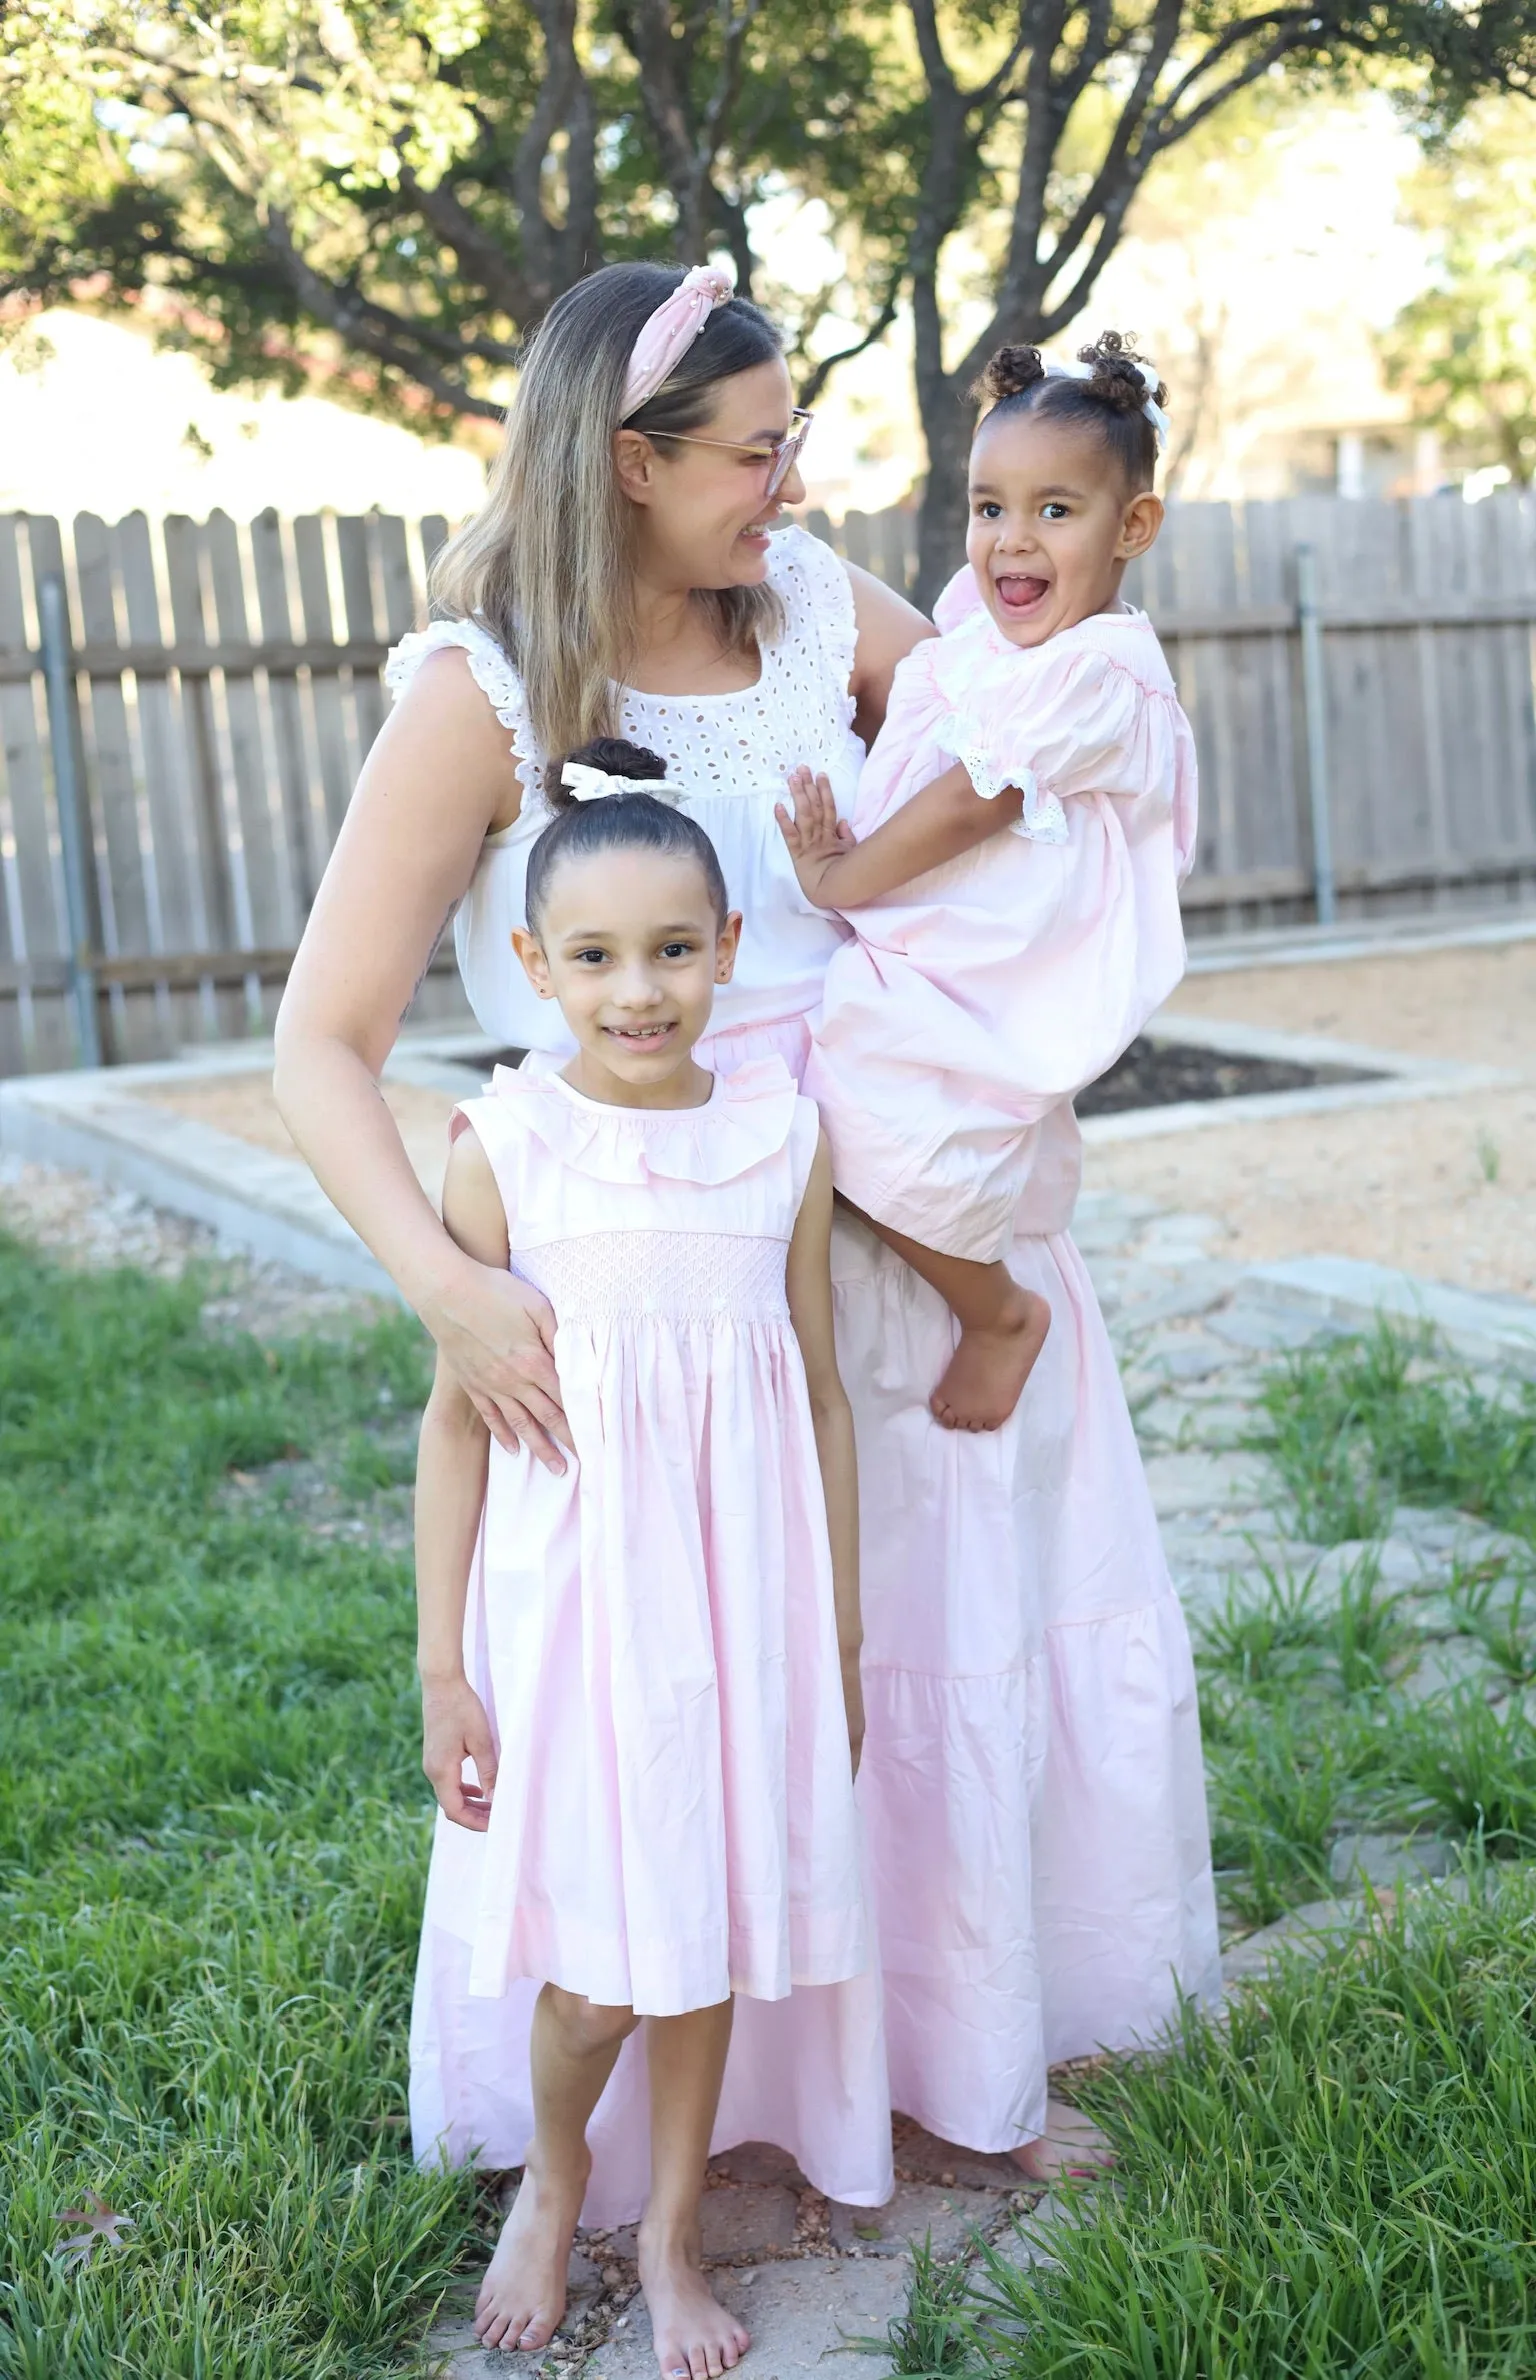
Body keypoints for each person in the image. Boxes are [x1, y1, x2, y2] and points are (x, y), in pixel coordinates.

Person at [273, 256, 1218, 2240]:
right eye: (756, 455)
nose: (793, 491)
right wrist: (451, 1286)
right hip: (651, 1276)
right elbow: (322, 1038)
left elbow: (1011, 721)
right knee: (690, 1691)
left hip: (879, 1193)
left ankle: (963, 2064)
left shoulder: (811, 614)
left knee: (925, 1655)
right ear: (630, 462)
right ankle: (641, 2134)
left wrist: (1023, 979)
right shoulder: (495, 689)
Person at [413, 738, 867, 2369]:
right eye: (595, 958)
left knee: (701, 1939)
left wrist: (842, 1638)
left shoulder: (780, 1144)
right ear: (533, 966)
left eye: (673, 949)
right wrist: (442, 1667)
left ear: (729, 947)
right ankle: (559, 2171)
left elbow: (819, 1398)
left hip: (744, 1613)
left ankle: (669, 2238)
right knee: (599, 1975)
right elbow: (456, 1423)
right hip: (577, 1625)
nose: (638, 991)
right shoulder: (505, 1149)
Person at [776, 335, 1194, 1436]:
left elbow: (973, 800)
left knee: (857, 1104)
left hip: (1003, 957)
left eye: (1056, 511)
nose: (1012, 538)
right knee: (858, 1104)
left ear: (1131, 529)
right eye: (989, 506)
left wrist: (838, 875)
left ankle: (997, 1312)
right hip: (951, 936)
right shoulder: (984, 631)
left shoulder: (1100, 670)